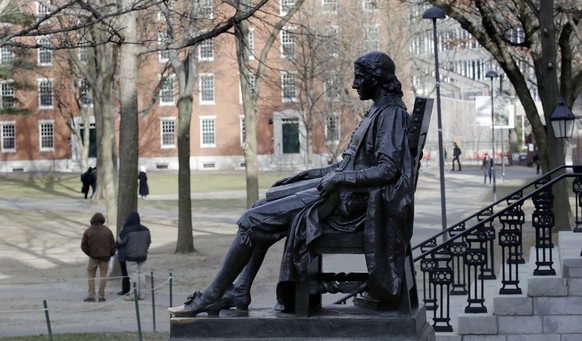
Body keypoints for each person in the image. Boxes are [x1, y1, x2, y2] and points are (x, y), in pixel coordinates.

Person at [168, 51, 416, 317]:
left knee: (252, 219)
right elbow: (348, 165)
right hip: (342, 194)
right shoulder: (379, 111)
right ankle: (240, 288)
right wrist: (306, 175)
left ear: (376, 79)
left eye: (359, 78)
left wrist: (339, 178)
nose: (355, 84)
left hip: (351, 205)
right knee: (264, 202)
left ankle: (212, 295)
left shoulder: (390, 114)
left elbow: (388, 169)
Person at [80, 212, 116, 302]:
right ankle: (101, 296)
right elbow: (113, 245)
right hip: (105, 257)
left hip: (93, 257)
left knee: (91, 275)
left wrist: (90, 253)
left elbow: (83, 246)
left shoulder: (88, 231)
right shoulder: (107, 231)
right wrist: (110, 254)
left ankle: (91, 295)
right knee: (103, 275)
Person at [117, 211, 151, 300]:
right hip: (143, 255)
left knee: (133, 275)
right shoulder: (146, 229)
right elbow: (148, 242)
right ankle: (142, 294)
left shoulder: (127, 230)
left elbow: (119, 242)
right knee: (141, 274)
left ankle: (133, 294)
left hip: (131, 256)